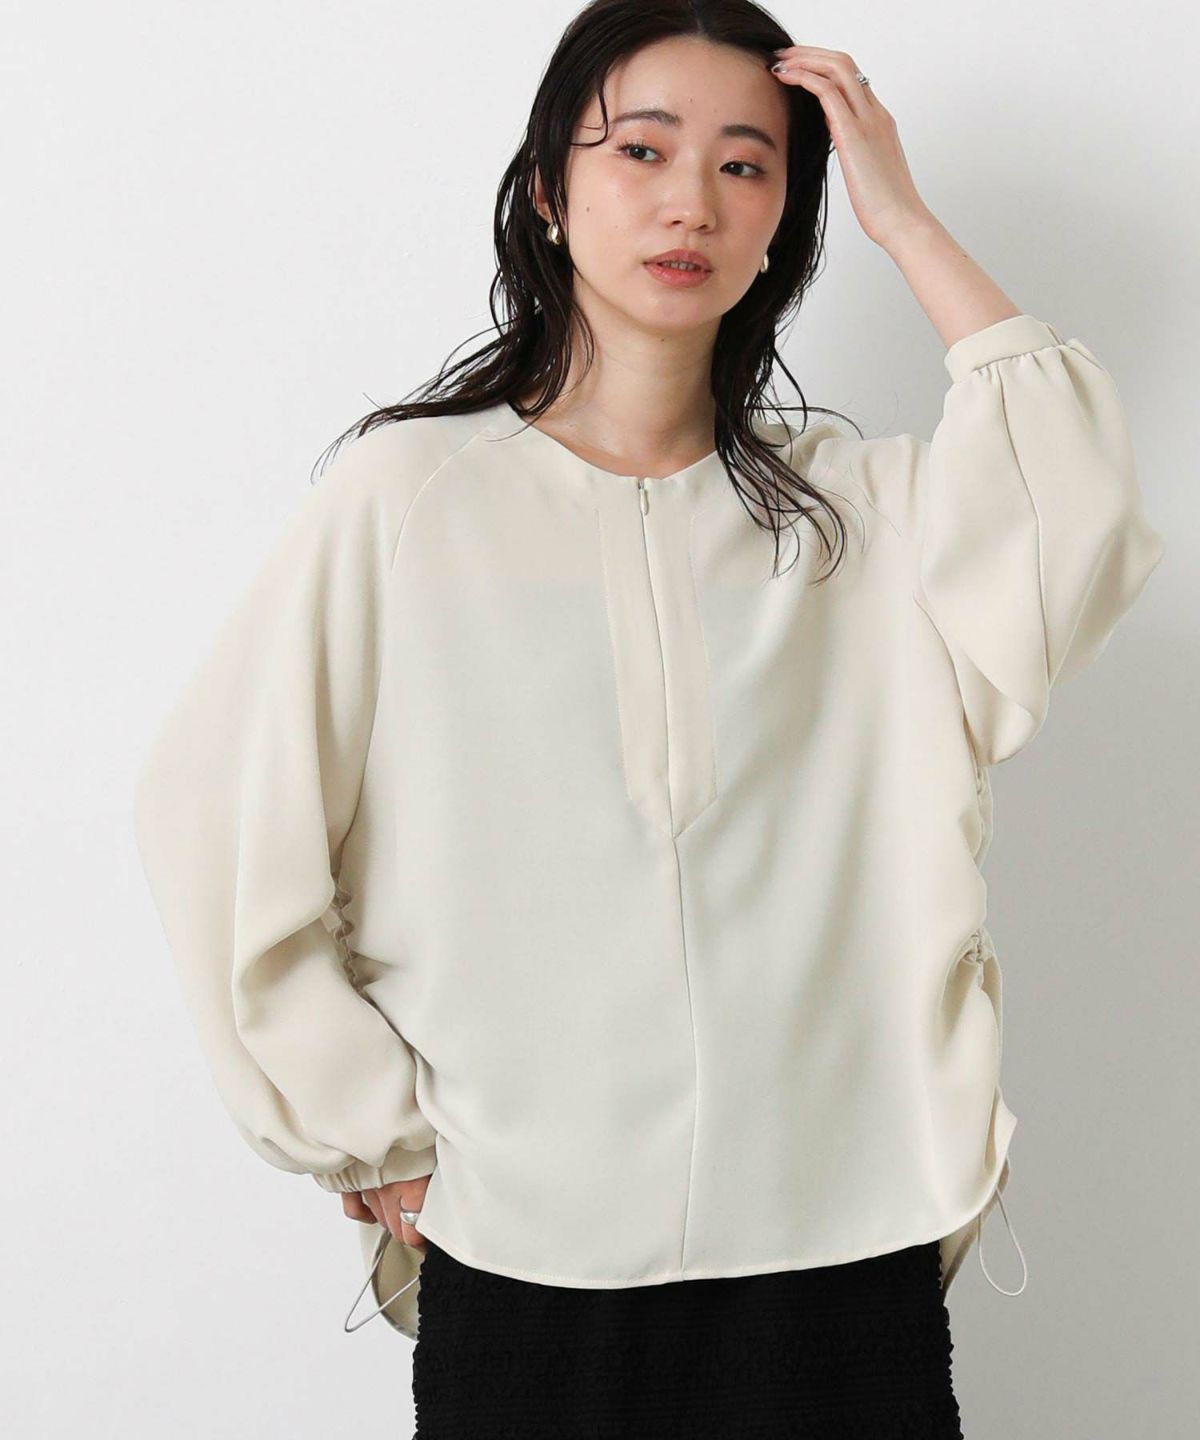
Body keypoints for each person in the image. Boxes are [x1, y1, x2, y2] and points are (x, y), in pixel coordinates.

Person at [131, 2, 1165, 1436]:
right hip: (526, 1251)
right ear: (548, 192)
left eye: (747, 165)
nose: (692, 202)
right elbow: (217, 815)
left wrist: (905, 221)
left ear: (785, 219)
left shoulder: (861, 512)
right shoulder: (408, 503)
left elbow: (1076, 514)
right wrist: (365, 1124)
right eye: (641, 151)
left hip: (840, 1240)